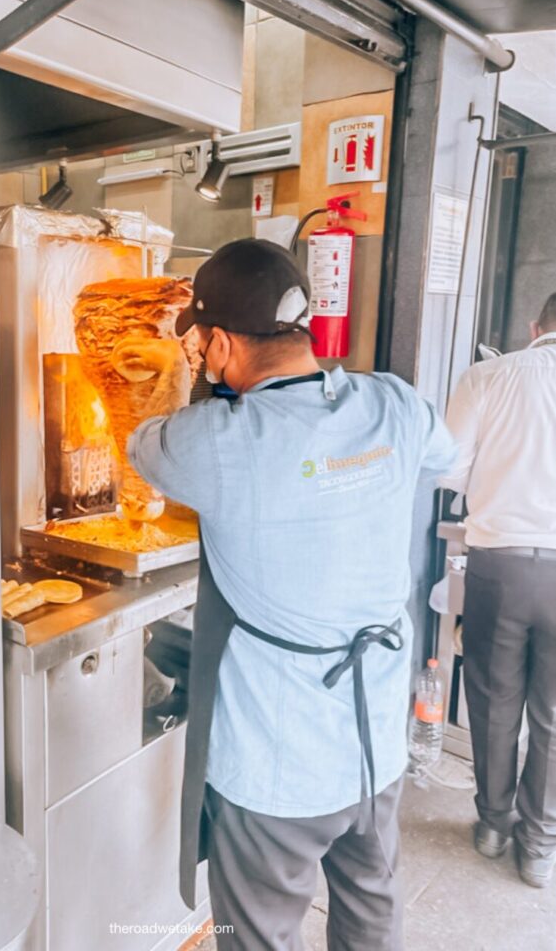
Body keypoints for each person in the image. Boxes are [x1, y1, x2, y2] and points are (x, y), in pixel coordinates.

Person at [122, 239, 456, 950]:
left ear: (215, 343)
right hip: (373, 740)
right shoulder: (392, 402)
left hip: (277, 763)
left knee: (259, 932)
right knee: (370, 906)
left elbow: (140, 443)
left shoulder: (215, 440)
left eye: (201, 346)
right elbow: (442, 461)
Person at [441, 292, 556, 888]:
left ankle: (493, 825)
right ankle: (539, 848)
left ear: (536, 327)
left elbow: (447, 469)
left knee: (492, 698)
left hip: (500, 563)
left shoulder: (487, 375)